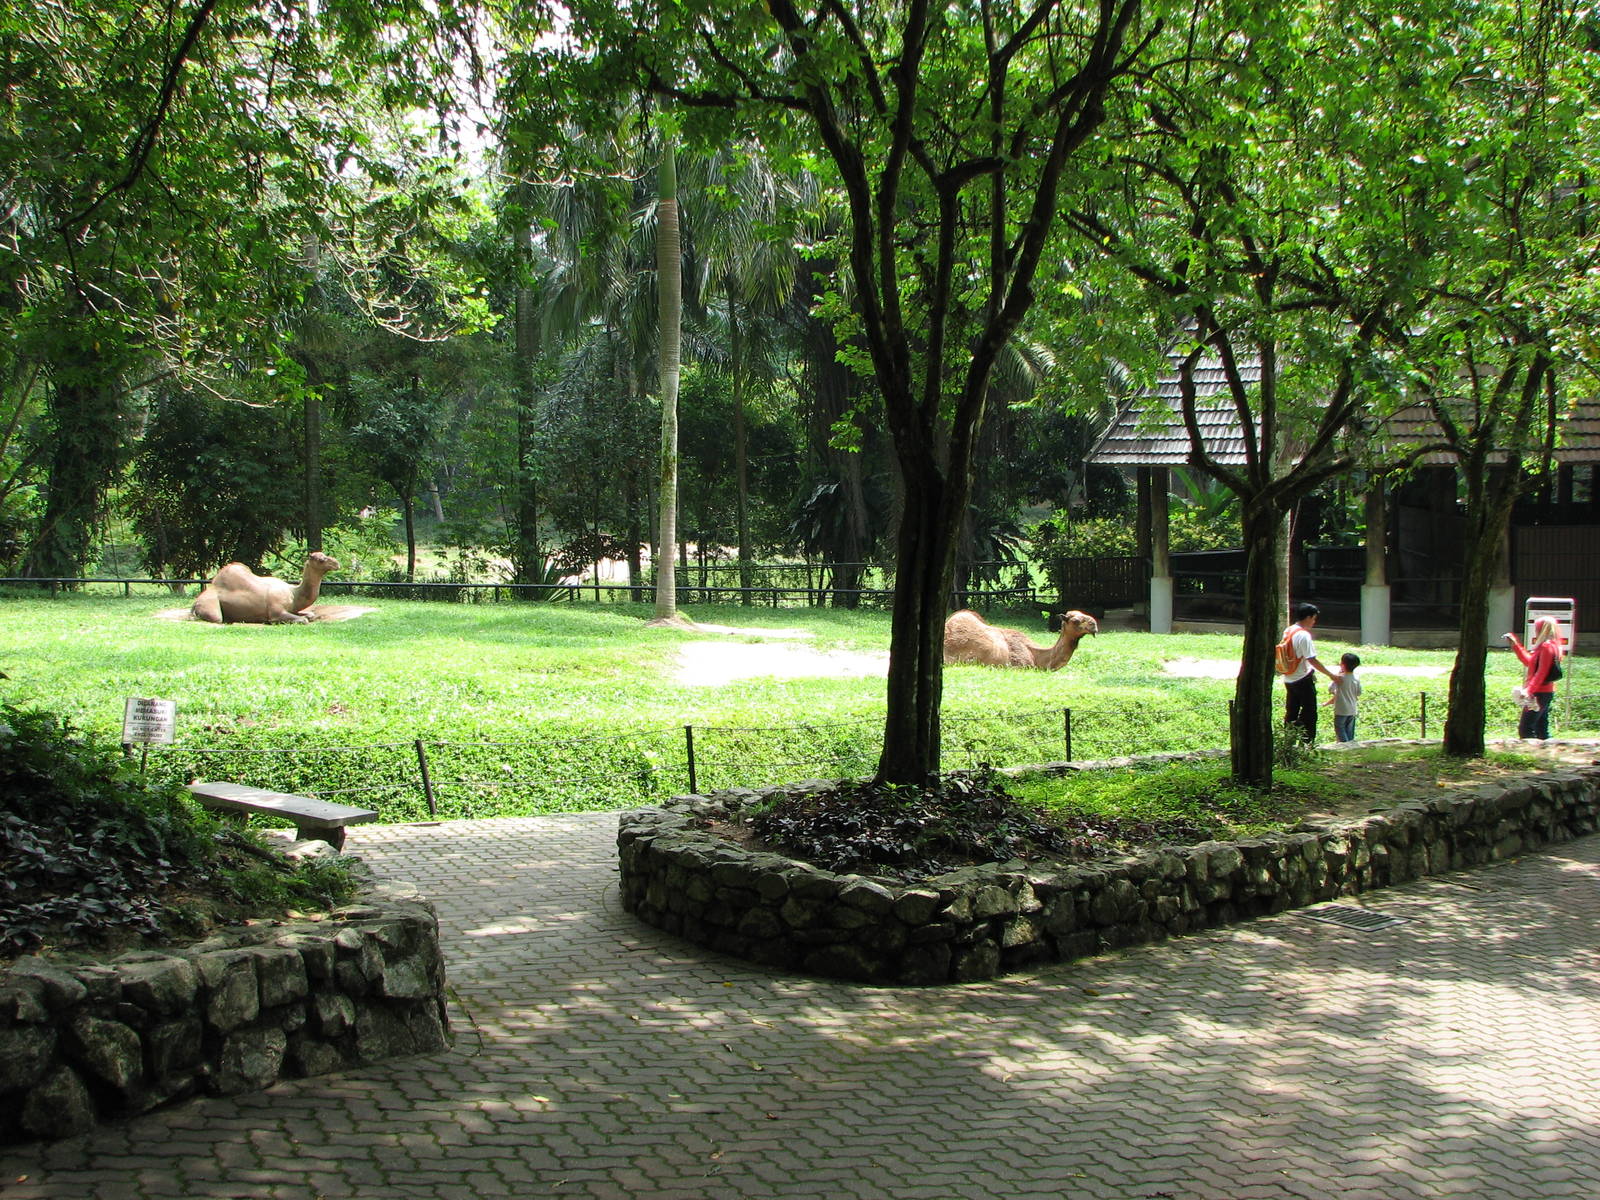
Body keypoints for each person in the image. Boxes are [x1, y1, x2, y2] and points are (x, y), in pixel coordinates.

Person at [1280, 602, 1337, 741]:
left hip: (1289, 677)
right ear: (1308, 617)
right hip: (1302, 678)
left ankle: (1289, 739)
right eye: (1313, 618)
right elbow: (1312, 659)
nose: (1314, 622)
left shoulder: (1289, 630)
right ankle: (1307, 741)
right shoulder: (1304, 635)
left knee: (1292, 710)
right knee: (1309, 711)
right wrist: (1331, 675)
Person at [1504, 617, 1563, 740]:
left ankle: (1532, 756)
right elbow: (1531, 663)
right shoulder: (1552, 646)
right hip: (1544, 691)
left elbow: (1541, 672)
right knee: (1541, 729)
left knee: (1526, 728)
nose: (1535, 631)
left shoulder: (1546, 647)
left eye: (1537, 628)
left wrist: (1528, 691)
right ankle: (1546, 755)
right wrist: (1516, 645)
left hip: (1539, 693)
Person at [1328, 652, 1363, 743]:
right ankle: (1351, 746)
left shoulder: (1340, 678)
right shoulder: (1356, 678)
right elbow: (1359, 693)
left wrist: (1337, 675)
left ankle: (1346, 746)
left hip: (1341, 709)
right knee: (1349, 731)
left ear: (1342, 664)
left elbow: (1330, 689)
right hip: (1352, 709)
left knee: (1340, 729)